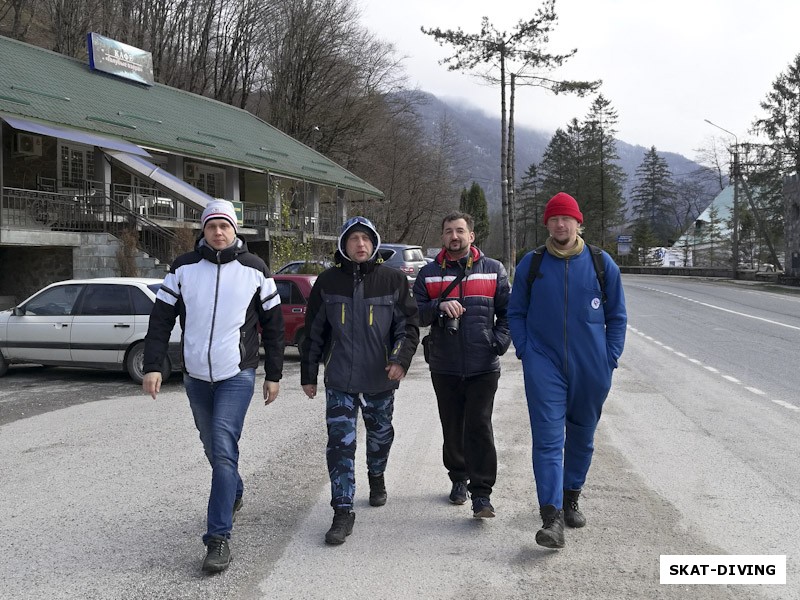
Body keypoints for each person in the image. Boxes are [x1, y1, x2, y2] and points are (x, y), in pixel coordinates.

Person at [142, 199, 284, 572]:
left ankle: (217, 538)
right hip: (195, 377)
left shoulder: (254, 269)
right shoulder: (184, 268)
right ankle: (233, 491)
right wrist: (154, 366)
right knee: (211, 445)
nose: (218, 232)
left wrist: (274, 374)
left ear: (235, 230)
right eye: (211, 226)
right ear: (202, 231)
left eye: (225, 226)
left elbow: (273, 326)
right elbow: (160, 319)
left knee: (222, 447)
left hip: (236, 373)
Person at [507, 192, 627, 549]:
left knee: (582, 437)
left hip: (592, 366)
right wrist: (527, 351)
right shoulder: (532, 264)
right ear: (547, 224)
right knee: (547, 440)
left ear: (578, 223)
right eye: (554, 219)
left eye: (567, 219)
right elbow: (516, 312)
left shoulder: (602, 265)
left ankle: (571, 495)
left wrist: (610, 358)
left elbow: (617, 317)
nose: (561, 224)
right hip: (543, 363)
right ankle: (551, 517)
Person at [300, 216, 419, 545]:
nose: (361, 244)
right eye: (354, 239)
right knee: (340, 446)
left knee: (380, 437)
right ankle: (342, 510)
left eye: (366, 238)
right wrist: (309, 375)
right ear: (343, 244)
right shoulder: (327, 283)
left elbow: (407, 328)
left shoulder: (393, 280)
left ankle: (377, 474)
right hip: (339, 380)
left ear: (375, 242)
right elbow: (313, 333)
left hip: (380, 379)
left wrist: (399, 359)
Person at [412, 211, 511, 519]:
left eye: (459, 231)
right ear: (442, 237)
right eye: (448, 232)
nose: (454, 236)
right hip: (445, 365)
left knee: (479, 426)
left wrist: (498, 342)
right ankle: (458, 478)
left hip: (484, 364)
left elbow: (509, 314)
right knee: (452, 425)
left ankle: (482, 495)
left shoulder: (493, 270)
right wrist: (438, 307)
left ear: (471, 236)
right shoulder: (428, 273)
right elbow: (413, 313)